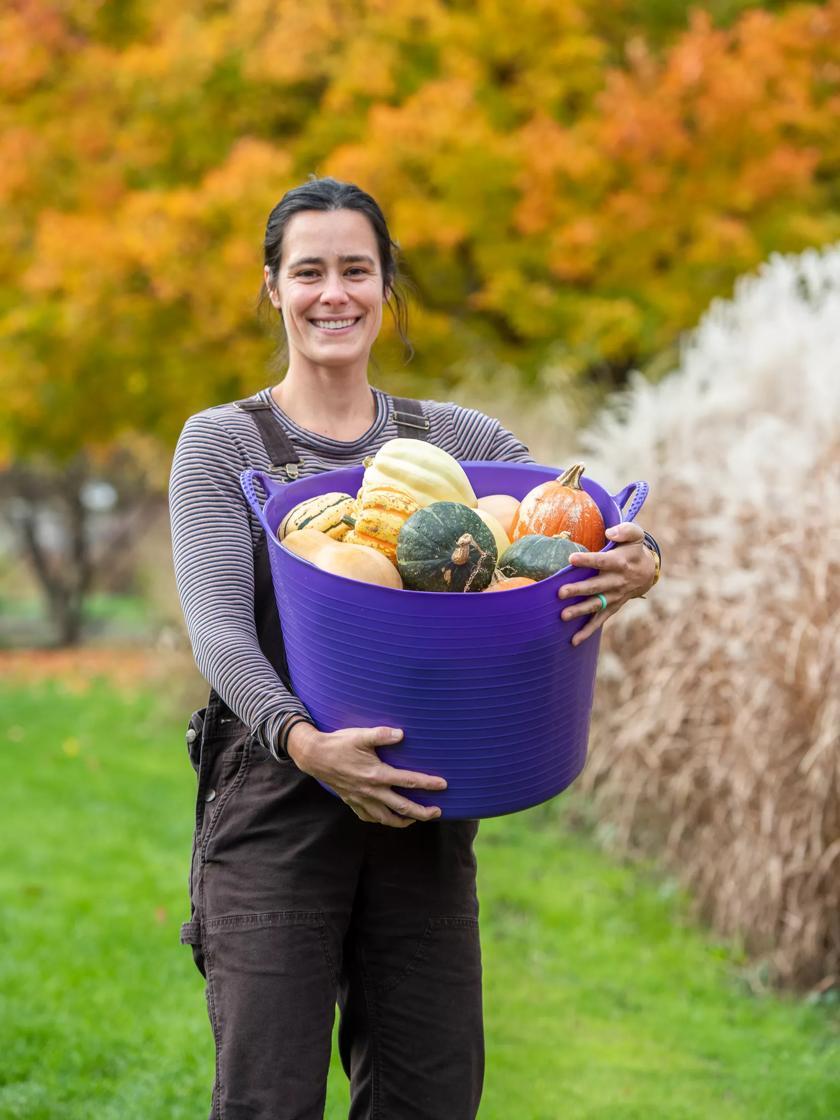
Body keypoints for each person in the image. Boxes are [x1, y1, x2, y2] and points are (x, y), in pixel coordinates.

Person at [169, 177, 660, 1120]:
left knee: (431, 1098)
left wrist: (642, 558)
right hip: (277, 805)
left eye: (357, 270)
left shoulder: (458, 440)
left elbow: (561, 529)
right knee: (269, 1098)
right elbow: (220, 630)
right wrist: (308, 745)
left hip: (424, 807)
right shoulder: (223, 445)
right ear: (272, 287)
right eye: (308, 271)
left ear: (387, 286)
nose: (334, 294)